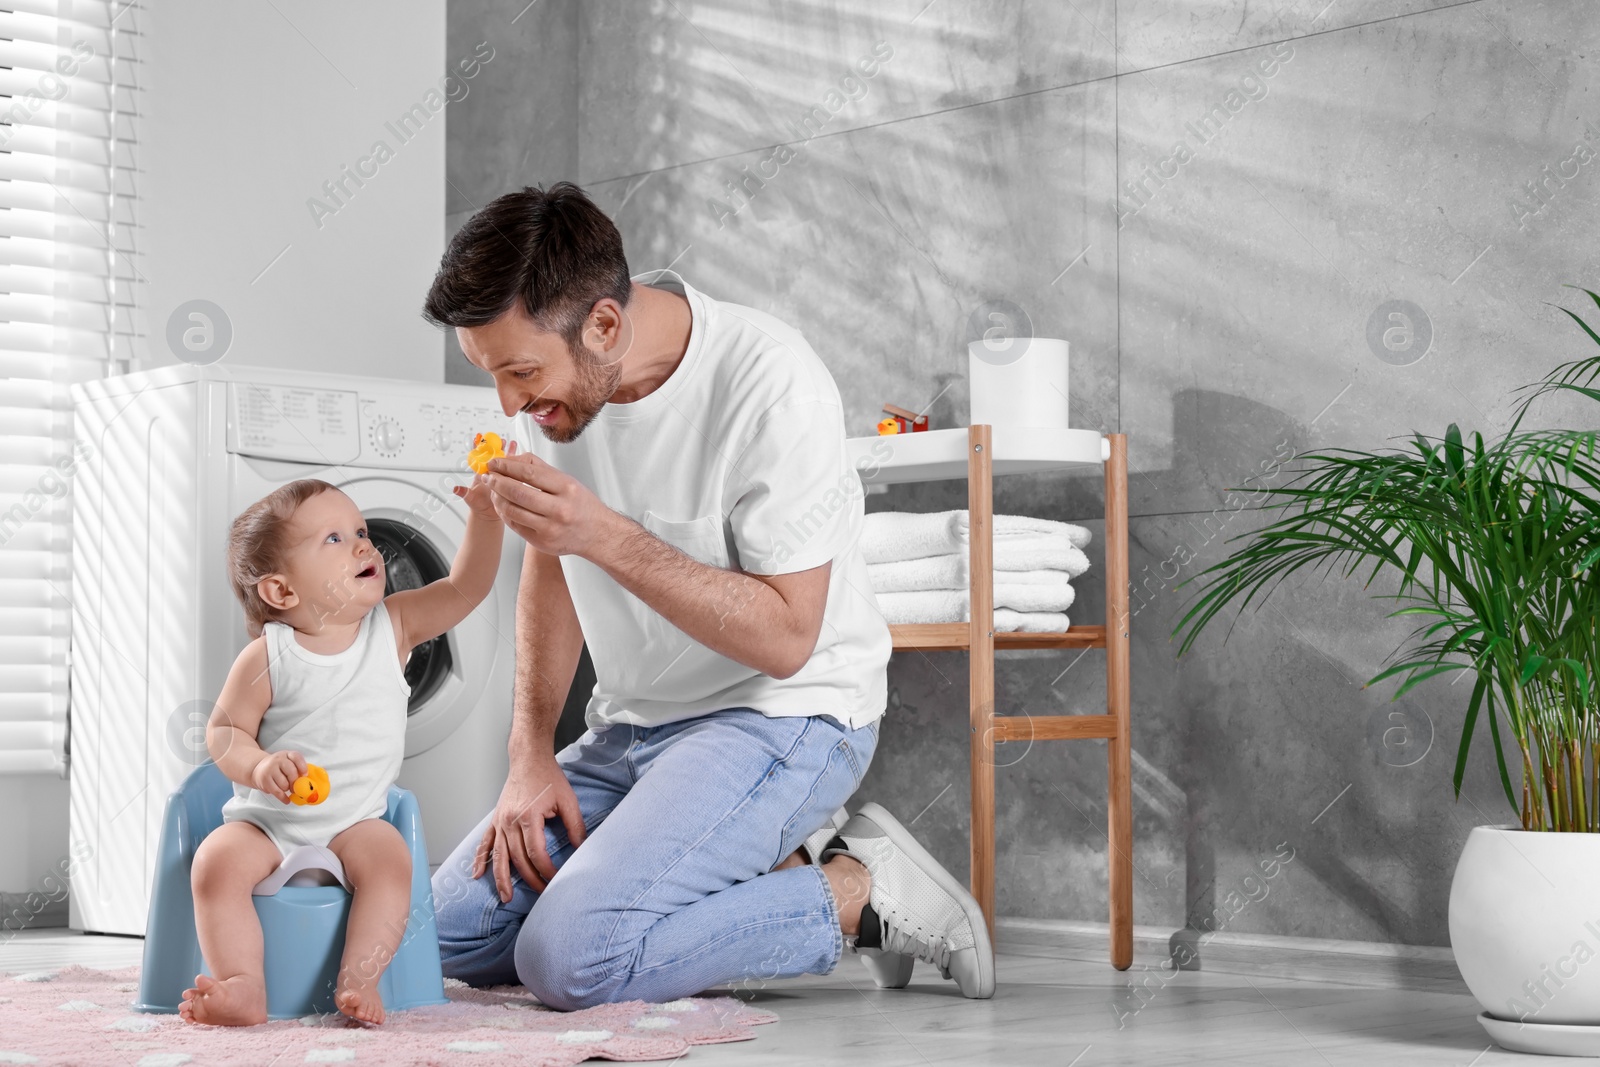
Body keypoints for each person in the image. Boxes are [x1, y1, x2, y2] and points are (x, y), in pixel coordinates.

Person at [422, 181, 995, 1009]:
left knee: (569, 960)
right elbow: (551, 562)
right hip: (631, 730)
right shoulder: (556, 398)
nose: (510, 404)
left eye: (519, 372)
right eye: (494, 377)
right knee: (442, 935)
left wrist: (603, 532)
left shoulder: (772, 384)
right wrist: (529, 753)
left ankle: (851, 891)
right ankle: (753, 869)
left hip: (788, 715)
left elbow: (787, 638)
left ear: (605, 325)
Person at [182, 474, 505, 1025]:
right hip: (268, 823)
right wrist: (259, 766)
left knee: (392, 862)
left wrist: (486, 516)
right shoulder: (269, 656)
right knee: (214, 861)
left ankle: (360, 981)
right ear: (281, 591)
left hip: (357, 820)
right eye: (334, 539)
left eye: (360, 530)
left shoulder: (393, 627)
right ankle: (243, 983)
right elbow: (224, 734)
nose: (364, 544)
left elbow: (465, 589)